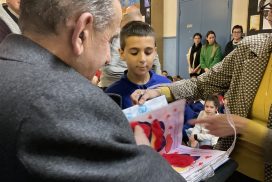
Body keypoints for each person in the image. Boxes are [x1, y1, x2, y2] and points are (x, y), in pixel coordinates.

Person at [0, 0, 186, 181]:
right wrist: (145, 155)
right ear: (81, 33)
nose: (107, 58)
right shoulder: (65, 104)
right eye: (110, 40)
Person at [131, 32, 272, 181]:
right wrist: (162, 92)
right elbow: (202, 84)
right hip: (227, 165)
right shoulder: (253, 47)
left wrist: (245, 127)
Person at [105, 21, 170, 109]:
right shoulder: (113, 94)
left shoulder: (166, 85)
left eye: (148, 52)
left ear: (155, 52)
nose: (142, 59)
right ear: (122, 54)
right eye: (134, 53)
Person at [98, 7, 161, 89]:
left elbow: (156, 63)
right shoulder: (117, 37)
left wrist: (157, 84)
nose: (139, 30)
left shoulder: (146, 37)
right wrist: (135, 71)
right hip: (111, 85)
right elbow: (109, 70)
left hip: (139, 85)